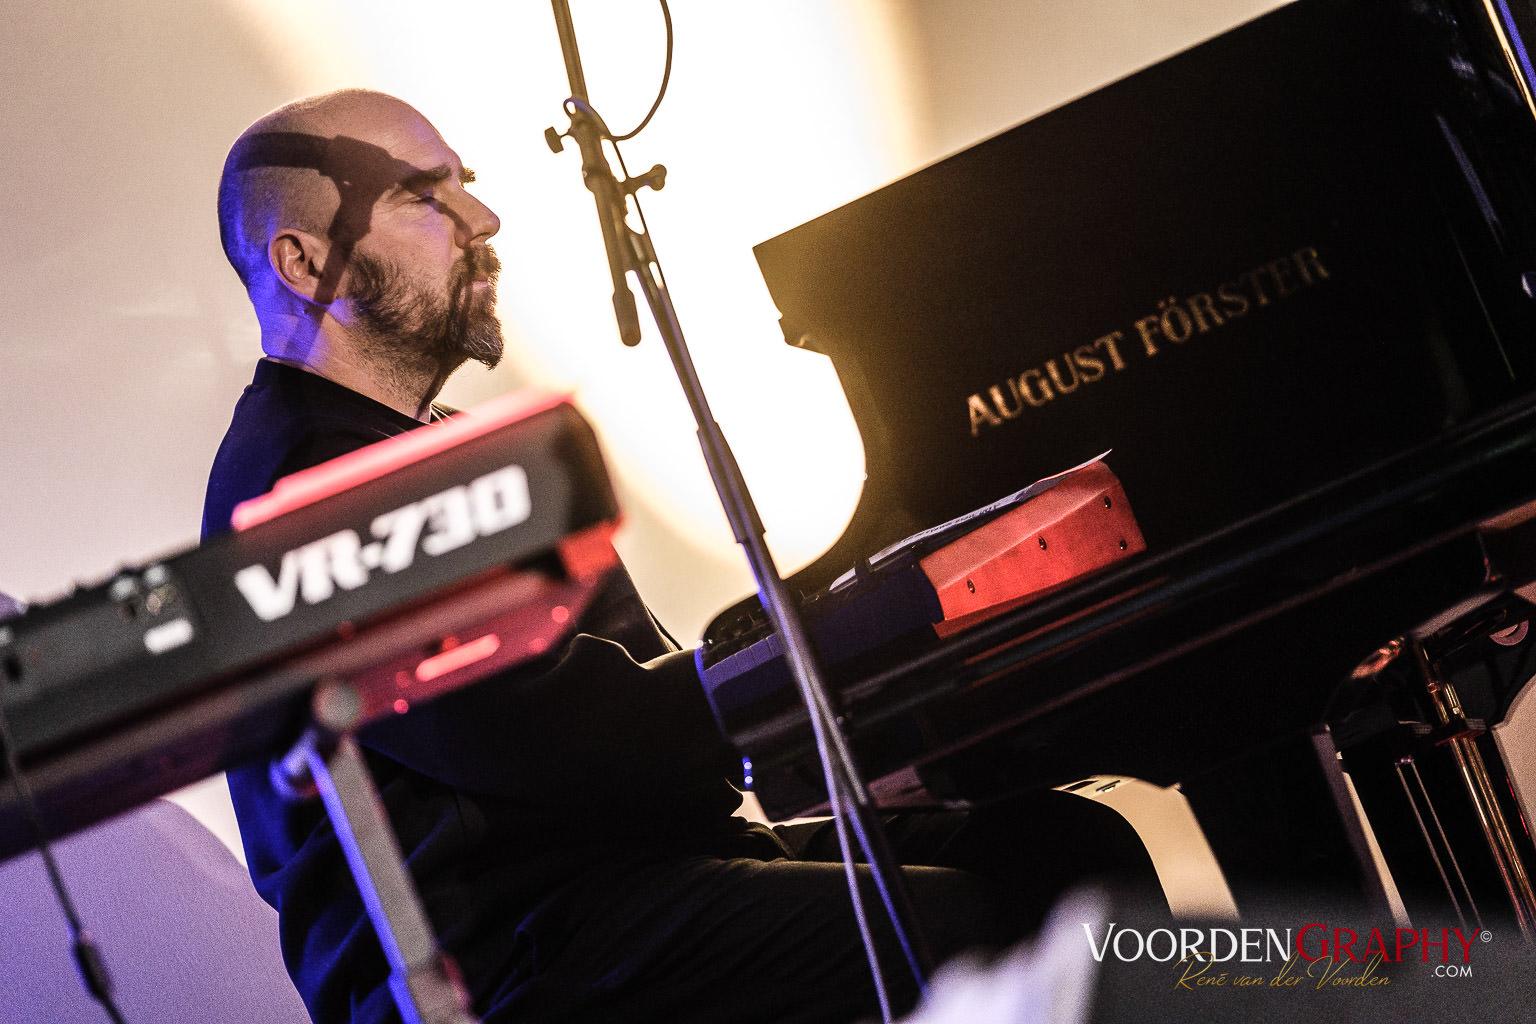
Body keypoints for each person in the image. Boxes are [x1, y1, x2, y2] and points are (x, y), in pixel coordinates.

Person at [204, 89, 1160, 1024]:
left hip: (631, 871)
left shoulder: (432, 447)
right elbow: (546, 737)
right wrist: (827, 646)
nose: (483, 220)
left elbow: (623, 692)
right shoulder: (295, 492)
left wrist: (812, 663)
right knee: (960, 927)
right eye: (424, 195)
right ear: (304, 261)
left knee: (1064, 851)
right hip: (515, 946)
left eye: (468, 184)